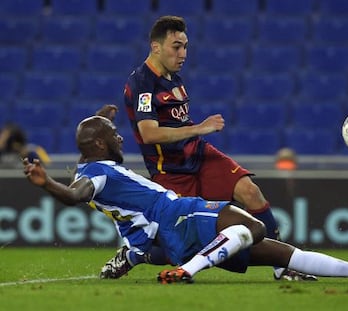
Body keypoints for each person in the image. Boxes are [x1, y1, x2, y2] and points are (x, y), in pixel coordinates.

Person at [22, 116, 348, 284]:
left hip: (171, 232)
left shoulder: (96, 162)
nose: (122, 139)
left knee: (282, 253)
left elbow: (94, 149)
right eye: (114, 135)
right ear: (101, 144)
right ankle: (186, 270)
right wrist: (45, 184)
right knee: (252, 225)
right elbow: (74, 196)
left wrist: (104, 116)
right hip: (177, 213)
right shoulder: (94, 175)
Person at [105, 14, 313, 281]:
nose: (183, 53)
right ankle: (136, 253)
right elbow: (148, 133)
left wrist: (195, 135)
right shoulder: (142, 83)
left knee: (251, 192)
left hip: (198, 155)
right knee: (183, 248)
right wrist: (199, 128)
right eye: (176, 46)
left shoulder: (174, 78)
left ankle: (283, 267)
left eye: (185, 46)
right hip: (170, 170)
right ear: (155, 46)